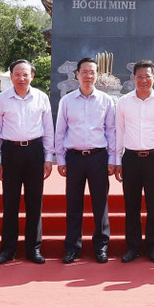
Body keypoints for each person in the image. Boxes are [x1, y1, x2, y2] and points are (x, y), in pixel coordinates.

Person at [0, 59, 54, 265]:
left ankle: (33, 248)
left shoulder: (41, 98)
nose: (21, 78)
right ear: (11, 76)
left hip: (35, 151)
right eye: (17, 74)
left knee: (34, 202)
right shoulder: (1, 99)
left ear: (32, 76)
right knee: (10, 202)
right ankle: (8, 249)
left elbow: (49, 130)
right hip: (11, 152)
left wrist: (48, 158)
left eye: (25, 74)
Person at [54, 57, 116, 263]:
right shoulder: (67, 101)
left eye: (92, 72)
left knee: (100, 204)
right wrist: (60, 160)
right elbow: (60, 131)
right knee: (73, 204)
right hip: (74, 158)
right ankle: (72, 247)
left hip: (98, 157)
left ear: (97, 75)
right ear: (77, 75)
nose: (88, 76)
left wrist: (112, 159)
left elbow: (111, 131)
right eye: (85, 72)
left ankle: (101, 246)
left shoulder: (106, 101)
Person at [114, 60, 154, 262]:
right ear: (133, 79)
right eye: (139, 76)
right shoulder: (123, 102)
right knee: (132, 205)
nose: (143, 80)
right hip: (130, 159)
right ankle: (133, 246)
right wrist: (118, 161)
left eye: (147, 76)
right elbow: (119, 132)